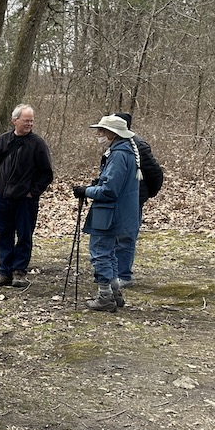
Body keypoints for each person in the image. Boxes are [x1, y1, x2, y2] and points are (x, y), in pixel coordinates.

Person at [72, 115, 140, 313]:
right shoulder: (125, 152)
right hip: (119, 212)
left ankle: (105, 296)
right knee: (110, 254)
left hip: (110, 214)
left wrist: (86, 191)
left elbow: (110, 191)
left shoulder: (119, 155)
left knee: (100, 252)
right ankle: (114, 292)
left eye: (102, 130)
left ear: (113, 133)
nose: (99, 134)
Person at [0, 103, 54, 288]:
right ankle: (4, 271)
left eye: (31, 121)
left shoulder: (38, 144)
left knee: (24, 235)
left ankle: (19, 271)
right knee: (4, 234)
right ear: (14, 120)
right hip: (2, 197)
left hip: (25, 200)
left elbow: (47, 173)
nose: (29, 124)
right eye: (26, 121)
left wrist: (32, 193)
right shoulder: (3, 140)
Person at [110, 112, 164, 287]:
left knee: (126, 236)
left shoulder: (138, 146)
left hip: (132, 198)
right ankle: (114, 272)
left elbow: (155, 173)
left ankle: (123, 275)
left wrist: (145, 194)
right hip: (117, 197)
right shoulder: (115, 145)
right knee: (114, 236)